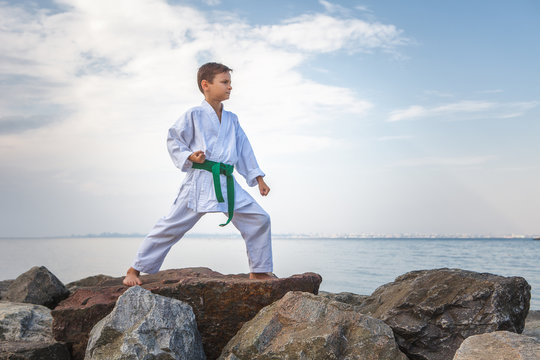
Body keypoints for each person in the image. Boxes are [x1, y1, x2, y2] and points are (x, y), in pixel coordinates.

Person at [123, 62, 274, 286]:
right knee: (171, 225)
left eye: (230, 83)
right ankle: (134, 270)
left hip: (225, 181)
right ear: (206, 85)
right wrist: (189, 156)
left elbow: (243, 149)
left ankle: (259, 271)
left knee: (259, 218)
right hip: (200, 181)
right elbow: (174, 138)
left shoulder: (232, 119)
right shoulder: (193, 114)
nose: (230, 87)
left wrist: (258, 178)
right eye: (224, 82)